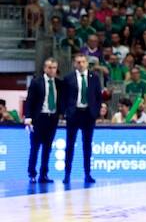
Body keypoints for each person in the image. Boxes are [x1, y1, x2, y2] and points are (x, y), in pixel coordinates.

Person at [63, 54, 103, 185]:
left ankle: (87, 174)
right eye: (78, 62)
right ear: (74, 64)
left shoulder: (94, 78)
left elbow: (98, 96)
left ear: (87, 63)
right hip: (74, 114)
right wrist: (66, 112)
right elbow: (64, 97)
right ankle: (67, 174)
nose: (81, 64)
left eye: (83, 62)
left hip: (88, 115)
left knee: (87, 146)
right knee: (69, 145)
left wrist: (95, 112)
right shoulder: (68, 78)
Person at [25, 58, 65, 184]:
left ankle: (44, 174)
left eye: (54, 67)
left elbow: (61, 100)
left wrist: (62, 114)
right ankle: (32, 173)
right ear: (44, 68)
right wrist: (28, 117)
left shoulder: (59, 83)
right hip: (39, 118)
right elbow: (30, 100)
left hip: (52, 118)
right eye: (49, 67)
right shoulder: (37, 82)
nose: (52, 70)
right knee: (35, 147)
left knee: (47, 148)